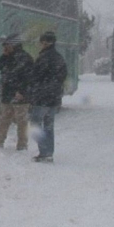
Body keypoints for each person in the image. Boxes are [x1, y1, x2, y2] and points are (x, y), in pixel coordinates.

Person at [29, 31, 68, 163]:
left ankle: (44, 151)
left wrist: (36, 90)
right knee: (49, 126)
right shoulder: (59, 58)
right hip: (53, 98)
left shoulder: (44, 57)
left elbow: (36, 76)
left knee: (35, 124)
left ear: (45, 43)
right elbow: (62, 77)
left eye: (42, 42)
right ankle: (48, 153)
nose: (41, 44)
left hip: (42, 98)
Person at [0, 33, 34, 150]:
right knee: (5, 119)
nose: (5, 48)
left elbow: (27, 78)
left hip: (19, 94)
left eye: (7, 45)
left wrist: (21, 91)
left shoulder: (24, 58)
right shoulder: (9, 57)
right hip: (8, 93)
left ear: (14, 45)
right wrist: (4, 56)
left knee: (20, 121)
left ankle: (21, 144)